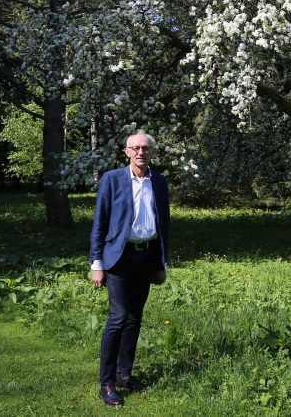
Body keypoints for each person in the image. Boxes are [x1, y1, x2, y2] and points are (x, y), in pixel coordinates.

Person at [89, 133, 170, 407]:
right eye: (135, 148)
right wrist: (96, 264)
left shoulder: (158, 182)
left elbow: (164, 226)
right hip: (119, 258)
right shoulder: (112, 179)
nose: (140, 152)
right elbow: (99, 222)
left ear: (152, 153)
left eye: (146, 148)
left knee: (135, 318)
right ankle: (107, 382)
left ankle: (125, 374)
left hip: (146, 257)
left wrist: (161, 263)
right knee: (119, 318)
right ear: (126, 152)